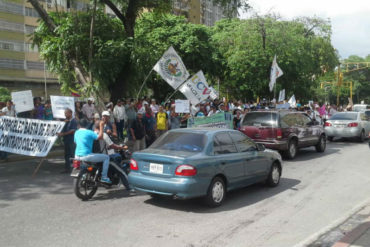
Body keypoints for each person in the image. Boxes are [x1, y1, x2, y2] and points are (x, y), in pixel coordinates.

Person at [74, 118, 111, 184]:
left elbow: (75, 142)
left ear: (79, 125)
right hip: (86, 155)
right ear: (87, 125)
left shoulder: (76, 132)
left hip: (76, 156)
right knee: (106, 157)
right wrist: (101, 126)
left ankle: (85, 176)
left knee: (85, 165)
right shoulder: (89, 132)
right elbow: (100, 137)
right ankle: (104, 177)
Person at [57, 108, 78, 173]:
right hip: (66, 140)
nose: (65, 115)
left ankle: (76, 169)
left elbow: (72, 131)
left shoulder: (74, 121)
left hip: (71, 140)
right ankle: (67, 168)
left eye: (66, 113)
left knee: (73, 155)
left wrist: (63, 134)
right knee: (66, 155)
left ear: (70, 113)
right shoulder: (66, 121)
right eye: (65, 113)